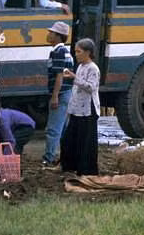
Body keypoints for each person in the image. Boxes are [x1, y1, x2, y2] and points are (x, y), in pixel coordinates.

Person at [59, 38, 100, 176]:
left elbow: (91, 87)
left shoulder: (93, 68)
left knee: (86, 141)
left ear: (88, 52)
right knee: (70, 139)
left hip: (88, 109)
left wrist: (74, 78)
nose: (76, 54)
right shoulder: (81, 66)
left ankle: (86, 170)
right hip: (77, 108)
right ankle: (70, 166)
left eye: (79, 51)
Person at [42, 21, 73, 167]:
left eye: (51, 33)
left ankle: (48, 158)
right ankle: (66, 156)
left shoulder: (58, 52)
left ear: (58, 36)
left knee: (53, 129)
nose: (48, 35)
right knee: (63, 129)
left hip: (61, 94)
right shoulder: (64, 51)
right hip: (67, 93)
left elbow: (59, 76)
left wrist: (55, 96)